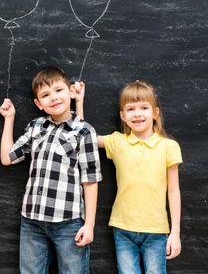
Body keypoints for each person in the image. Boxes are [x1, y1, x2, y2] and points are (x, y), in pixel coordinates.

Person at [0, 66, 102, 274]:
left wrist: (89, 225)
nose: (53, 98)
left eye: (58, 90)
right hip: (32, 220)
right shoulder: (36, 127)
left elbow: (90, 180)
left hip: (69, 223)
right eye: (45, 95)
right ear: (38, 104)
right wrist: (9, 119)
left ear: (70, 92)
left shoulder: (84, 131)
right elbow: (7, 158)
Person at [76, 80, 182, 274]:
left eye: (144, 107)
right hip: (123, 228)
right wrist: (78, 102)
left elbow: (174, 192)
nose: (138, 113)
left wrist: (175, 233)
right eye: (131, 109)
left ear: (155, 113)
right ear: (123, 116)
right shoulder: (117, 142)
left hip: (156, 230)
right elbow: (84, 137)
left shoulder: (169, 147)